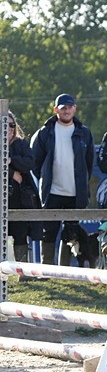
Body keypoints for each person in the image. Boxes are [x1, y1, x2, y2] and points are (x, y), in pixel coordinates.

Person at [29, 94, 94, 265]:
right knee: (48, 231)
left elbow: (89, 163)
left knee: (71, 232)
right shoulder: (44, 132)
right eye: (63, 107)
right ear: (55, 110)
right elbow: (35, 163)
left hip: (75, 192)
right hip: (52, 192)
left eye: (69, 107)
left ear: (75, 109)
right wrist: (46, 179)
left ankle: (64, 270)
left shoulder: (84, 132)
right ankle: (47, 270)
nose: (66, 111)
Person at [5, 111, 40, 263]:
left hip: (19, 198)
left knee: (20, 235)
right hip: (2, 199)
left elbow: (29, 164)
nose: (9, 128)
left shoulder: (21, 144)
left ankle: (22, 272)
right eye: (5, 125)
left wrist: (10, 160)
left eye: (12, 125)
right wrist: (11, 173)